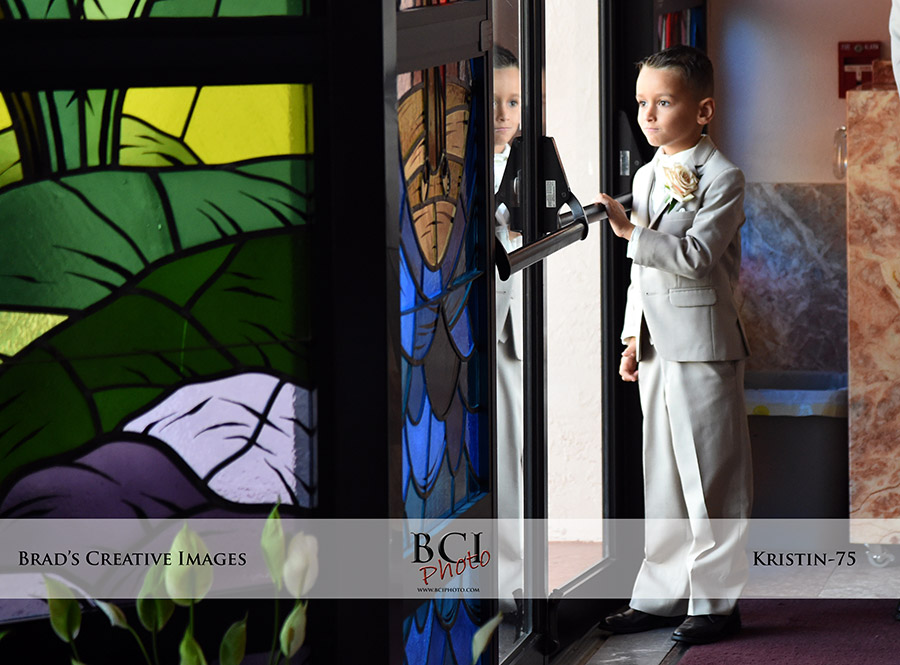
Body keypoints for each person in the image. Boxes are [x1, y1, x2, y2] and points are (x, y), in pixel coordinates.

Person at [595, 45, 752, 645]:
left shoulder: (724, 177)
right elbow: (642, 275)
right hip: (656, 345)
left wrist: (629, 231)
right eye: (642, 102)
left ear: (703, 110)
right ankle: (660, 596)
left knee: (712, 479)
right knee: (660, 475)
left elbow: (696, 257)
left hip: (705, 345)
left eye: (663, 102)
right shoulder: (645, 173)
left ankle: (717, 604)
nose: (648, 115)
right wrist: (631, 337)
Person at [493, 44, 525, 618]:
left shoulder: (529, 160)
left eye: (514, 101)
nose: (503, 114)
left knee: (512, 457)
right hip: (454, 324)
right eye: (494, 101)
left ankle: (510, 583)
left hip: (511, 328)